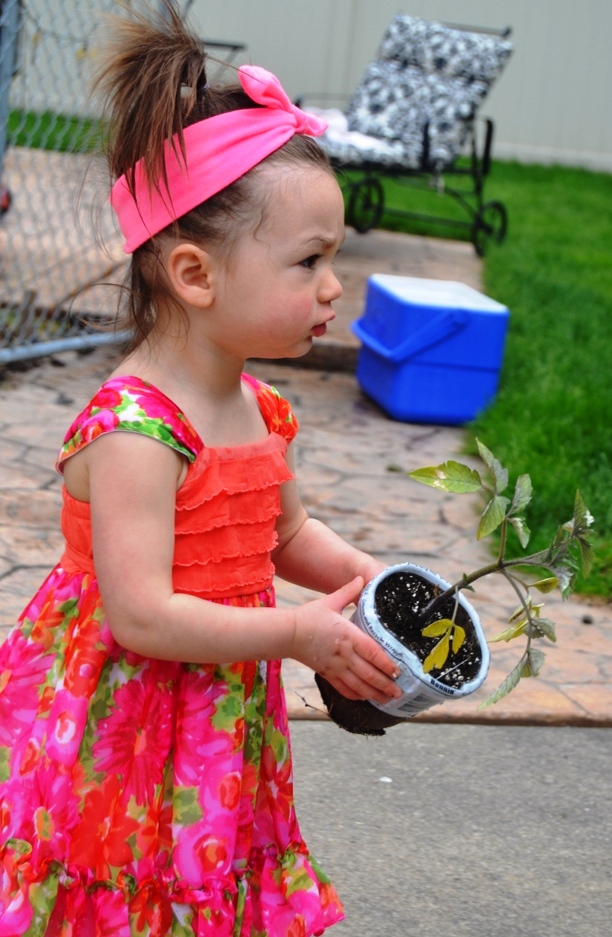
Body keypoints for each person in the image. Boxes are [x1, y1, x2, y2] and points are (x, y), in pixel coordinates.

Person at [0, 3, 402, 935]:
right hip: (123, 717)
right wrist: (294, 633)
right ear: (194, 274)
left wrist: (366, 578)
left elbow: (285, 533)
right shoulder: (136, 433)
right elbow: (141, 614)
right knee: (119, 876)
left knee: (198, 869)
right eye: (308, 261)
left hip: (217, 708)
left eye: (333, 258)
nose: (333, 287)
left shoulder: (261, 408)